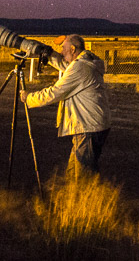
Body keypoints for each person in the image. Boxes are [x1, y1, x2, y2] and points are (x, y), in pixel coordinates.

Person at [23, 34, 111, 174]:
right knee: (73, 172)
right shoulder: (86, 62)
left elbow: (55, 93)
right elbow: (64, 64)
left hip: (88, 127)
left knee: (83, 175)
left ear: (72, 49)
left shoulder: (80, 67)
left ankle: (93, 196)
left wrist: (29, 98)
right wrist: (47, 52)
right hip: (92, 125)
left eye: (64, 49)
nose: (62, 52)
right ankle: (72, 195)